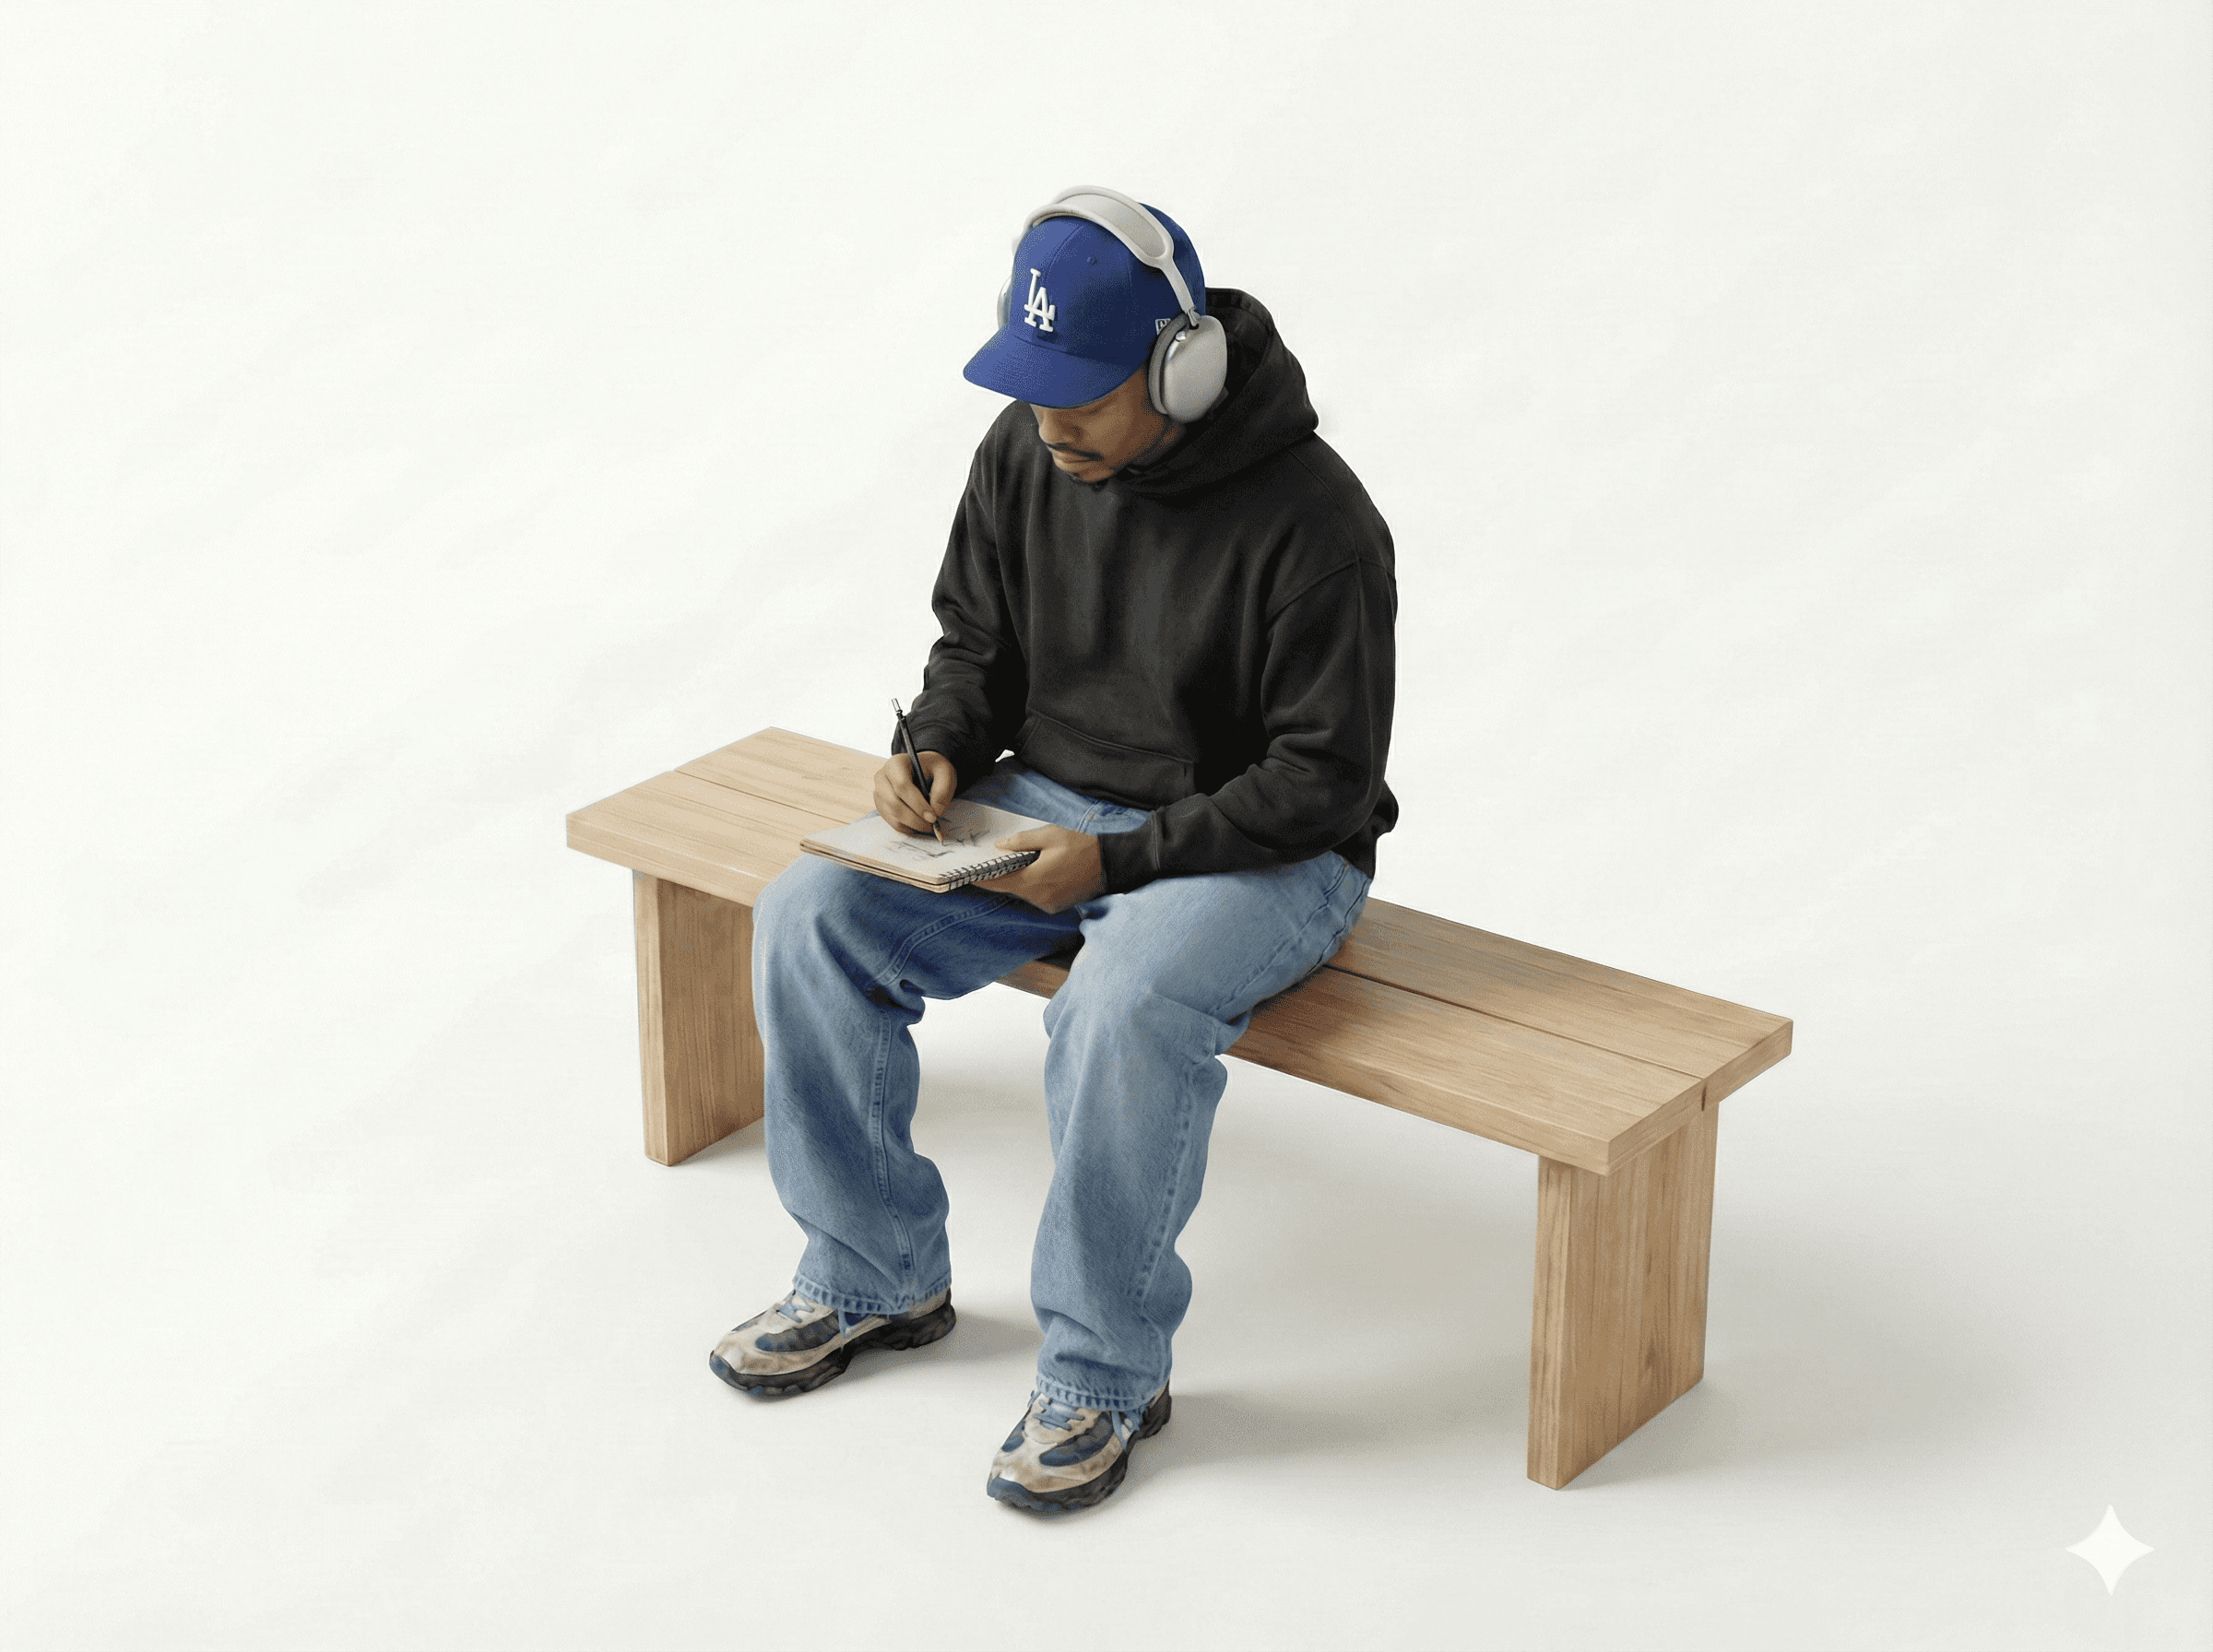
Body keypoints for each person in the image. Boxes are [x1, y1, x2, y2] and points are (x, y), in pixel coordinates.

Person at [708, 186, 1398, 1514]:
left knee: (1121, 1003)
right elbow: (979, 645)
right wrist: (940, 749)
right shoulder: (1027, 454)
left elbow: (1323, 782)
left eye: (1081, 390)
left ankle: (1103, 1372)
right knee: (809, 911)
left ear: (1178, 366)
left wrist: (1122, 868)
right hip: (1051, 811)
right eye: (1034, 387)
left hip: (1268, 850)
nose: (1051, 418)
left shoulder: (1319, 525)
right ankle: (871, 1275)